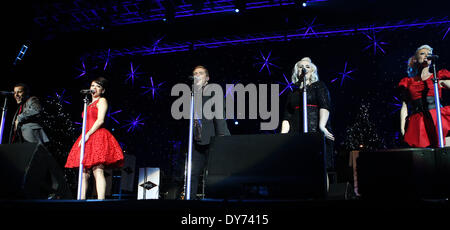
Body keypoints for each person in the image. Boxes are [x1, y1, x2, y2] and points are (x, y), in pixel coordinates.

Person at [65, 77, 124, 200]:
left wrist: (88, 134)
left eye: (97, 86)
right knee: (84, 172)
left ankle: (100, 200)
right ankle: (81, 199)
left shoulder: (102, 100)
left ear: (102, 90)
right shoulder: (87, 102)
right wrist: (84, 135)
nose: (94, 88)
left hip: (97, 135)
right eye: (92, 85)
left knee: (98, 170)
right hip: (86, 136)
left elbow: (100, 120)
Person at [280, 57, 335, 168]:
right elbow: (287, 116)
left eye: (307, 66)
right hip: (296, 134)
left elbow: (324, 106)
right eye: (300, 67)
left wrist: (322, 126)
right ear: (297, 71)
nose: (304, 68)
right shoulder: (293, 93)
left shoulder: (318, 86)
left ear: (312, 70)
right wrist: (282, 136)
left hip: (315, 130)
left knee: (318, 166)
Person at [189, 65, 230, 199]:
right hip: (196, 140)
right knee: (193, 173)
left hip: (212, 139)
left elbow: (219, 115)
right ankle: (190, 200)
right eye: (195, 73)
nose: (197, 75)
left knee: (212, 172)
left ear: (207, 78)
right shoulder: (192, 94)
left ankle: (214, 199)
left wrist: (222, 137)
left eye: (200, 73)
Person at [399, 44, 450, 147]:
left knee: (442, 147)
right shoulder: (408, 82)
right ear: (415, 59)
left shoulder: (438, 77)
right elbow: (404, 107)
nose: (427, 55)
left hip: (436, 118)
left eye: (429, 54)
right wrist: (402, 129)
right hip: (418, 122)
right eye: (423, 53)